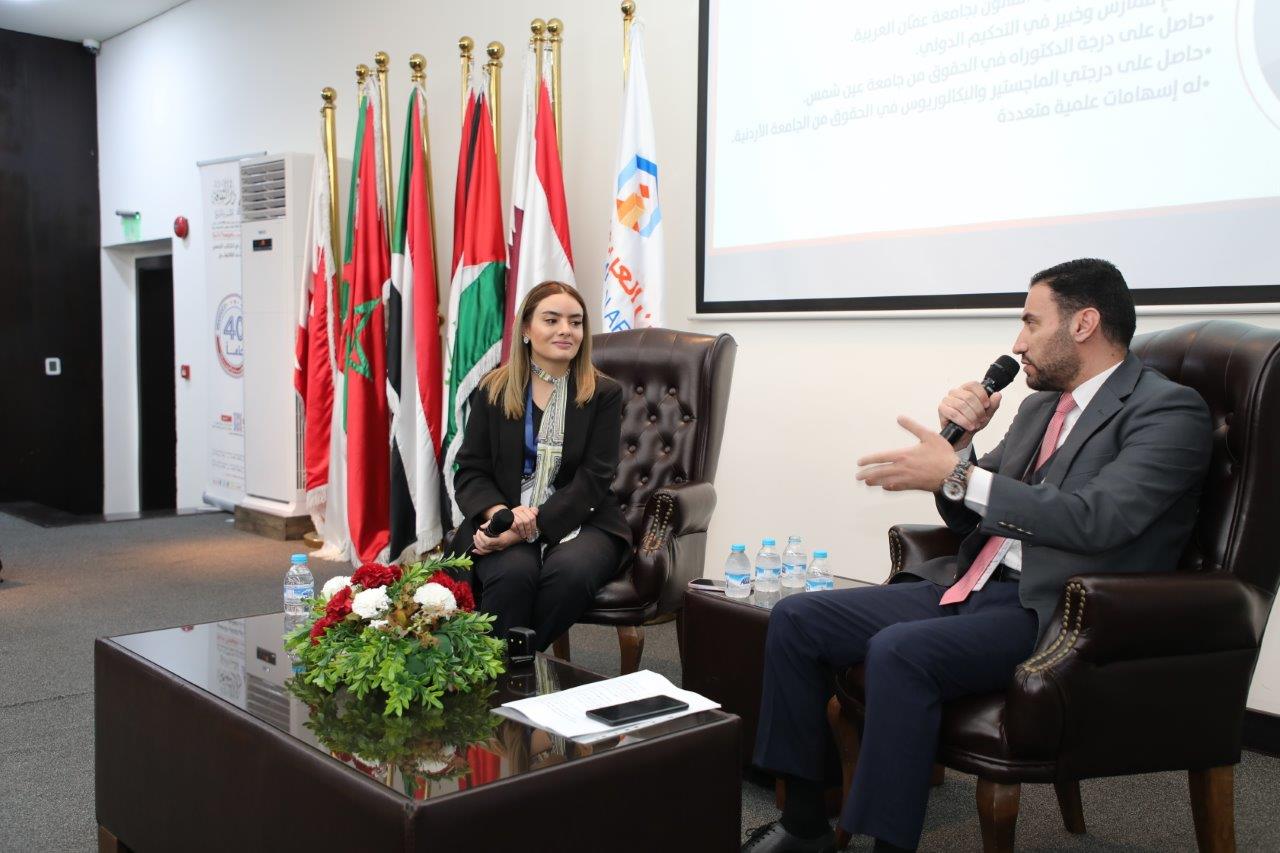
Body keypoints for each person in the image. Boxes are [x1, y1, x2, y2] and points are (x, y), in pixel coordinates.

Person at [744, 259, 1212, 853]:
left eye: (1031, 322)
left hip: (1058, 612)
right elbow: (971, 512)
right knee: (797, 618)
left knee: (899, 652)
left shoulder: (1168, 411)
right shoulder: (1041, 408)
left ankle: (888, 844)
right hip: (974, 584)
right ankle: (803, 824)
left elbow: (1098, 519)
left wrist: (960, 475)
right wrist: (960, 450)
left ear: (1084, 324)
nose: (1018, 344)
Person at [451, 281, 631, 651]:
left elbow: (594, 478)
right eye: (552, 320)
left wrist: (526, 529)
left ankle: (505, 665)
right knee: (513, 573)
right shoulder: (494, 389)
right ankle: (503, 671)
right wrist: (503, 517)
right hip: (505, 512)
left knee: (570, 574)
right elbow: (471, 470)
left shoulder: (603, 393)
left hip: (583, 519)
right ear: (526, 329)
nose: (566, 330)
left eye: (575, 322)